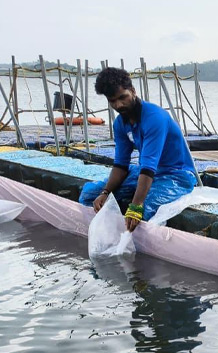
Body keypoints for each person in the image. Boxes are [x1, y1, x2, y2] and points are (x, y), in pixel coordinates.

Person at [79, 67, 197, 231]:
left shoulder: (155, 118)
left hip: (176, 175)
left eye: (123, 97)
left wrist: (136, 205)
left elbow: (149, 166)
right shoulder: (120, 124)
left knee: (144, 211)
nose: (119, 105)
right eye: (112, 101)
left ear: (133, 91)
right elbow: (121, 165)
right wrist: (105, 192)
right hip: (144, 171)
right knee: (90, 195)